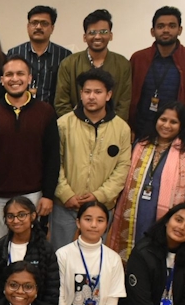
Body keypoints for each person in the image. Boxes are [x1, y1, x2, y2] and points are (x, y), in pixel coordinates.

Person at [106, 102, 185, 262]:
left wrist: (184, 219)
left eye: (173, 122)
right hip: (134, 213)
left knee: (154, 259)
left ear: (182, 125)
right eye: (163, 119)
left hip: (167, 218)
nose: (167, 125)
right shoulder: (141, 144)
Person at [0, 55, 59, 241]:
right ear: (2, 79)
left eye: (20, 73)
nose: (15, 79)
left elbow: (53, 156)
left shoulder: (45, 112)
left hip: (34, 194)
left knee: (31, 248)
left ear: (29, 78)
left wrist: (48, 195)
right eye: (9, 74)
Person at [52, 68, 132, 252]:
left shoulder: (121, 128)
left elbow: (123, 168)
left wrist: (99, 196)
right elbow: (54, 163)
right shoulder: (63, 124)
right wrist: (66, 194)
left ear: (109, 95)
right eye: (87, 92)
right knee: (61, 257)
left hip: (101, 208)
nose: (91, 97)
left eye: (98, 92)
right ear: (81, 94)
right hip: (65, 206)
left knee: (94, 260)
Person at [129, 6, 185, 139]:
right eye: (160, 26)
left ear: (180, 30)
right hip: (140, 130)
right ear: (152, 31)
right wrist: (129, 126)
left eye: (171, 26)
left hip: (175, 133)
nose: (166, 30)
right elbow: (128, 96)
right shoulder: (138, 58)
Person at [0, 196, 59, 305]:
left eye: (21, 215)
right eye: (10, 216)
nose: (16, 221)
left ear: (33, 216)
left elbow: (51, 292)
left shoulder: (45, 249)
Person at [55, 9, 132, 121]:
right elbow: (61, 103)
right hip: (75, 130)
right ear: (84, 37)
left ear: (111, 35)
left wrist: (111, 127)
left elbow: (124, 104)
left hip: (111, 131)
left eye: (103, 32)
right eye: (92, 32)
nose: (97, 37)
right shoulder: (68, 64)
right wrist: (77, 125)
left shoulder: (123, 64)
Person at [6, 5, 71, 110]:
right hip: (19, 114)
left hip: (53, 116)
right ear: (28, 26)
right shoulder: (14, 53)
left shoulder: (64, 55)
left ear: (52, 28)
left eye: (44, 23)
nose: (38, 27)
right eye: (34, 23)